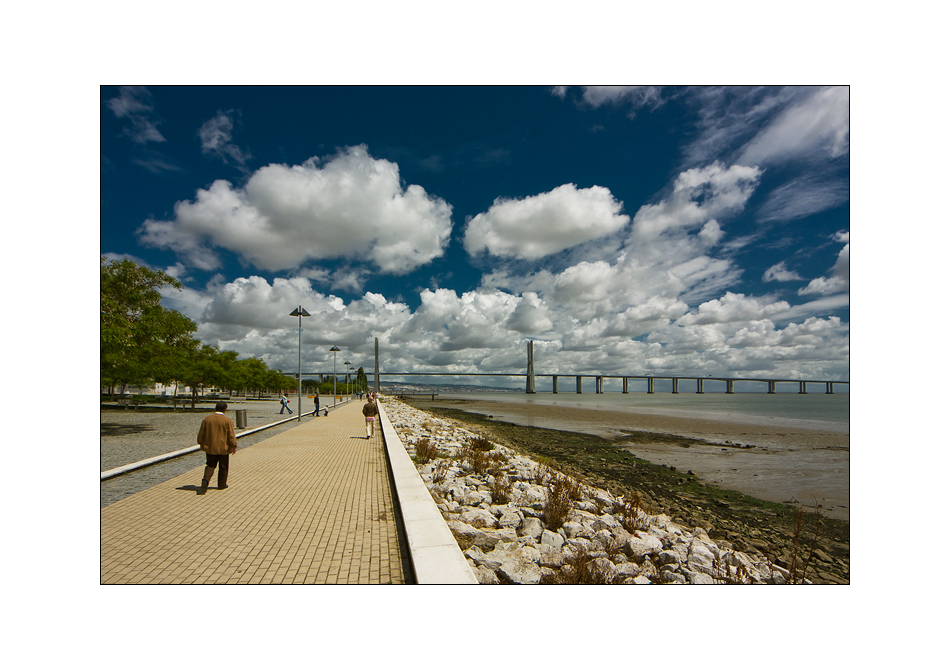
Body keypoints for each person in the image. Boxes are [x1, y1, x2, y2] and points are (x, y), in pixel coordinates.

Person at [197, 401, 238, 492]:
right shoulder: (227, 420)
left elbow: (201, 433)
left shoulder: (207, 419)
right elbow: (231, 435)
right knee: (223, 466)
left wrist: (201, 443)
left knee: (210, 465)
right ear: (225, 409)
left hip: (210, 447)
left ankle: (206, 479)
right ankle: (221, 484)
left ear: (215, 408)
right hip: (224, 448)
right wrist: (233, 446)